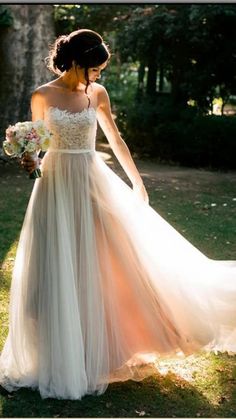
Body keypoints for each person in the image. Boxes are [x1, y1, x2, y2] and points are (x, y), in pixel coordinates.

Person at [0, 28, 236, 401]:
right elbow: (41, 144)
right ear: (77, 62)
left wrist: (137, 182)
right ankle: (60, 350)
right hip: (56, 186)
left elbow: (115, 138)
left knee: (108, 260)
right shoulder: (42, 95)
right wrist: (30, 160)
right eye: (96, 69)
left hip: (93, 181)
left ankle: (113, 343)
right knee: (59, 262)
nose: (99, 76)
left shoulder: (97, 94)